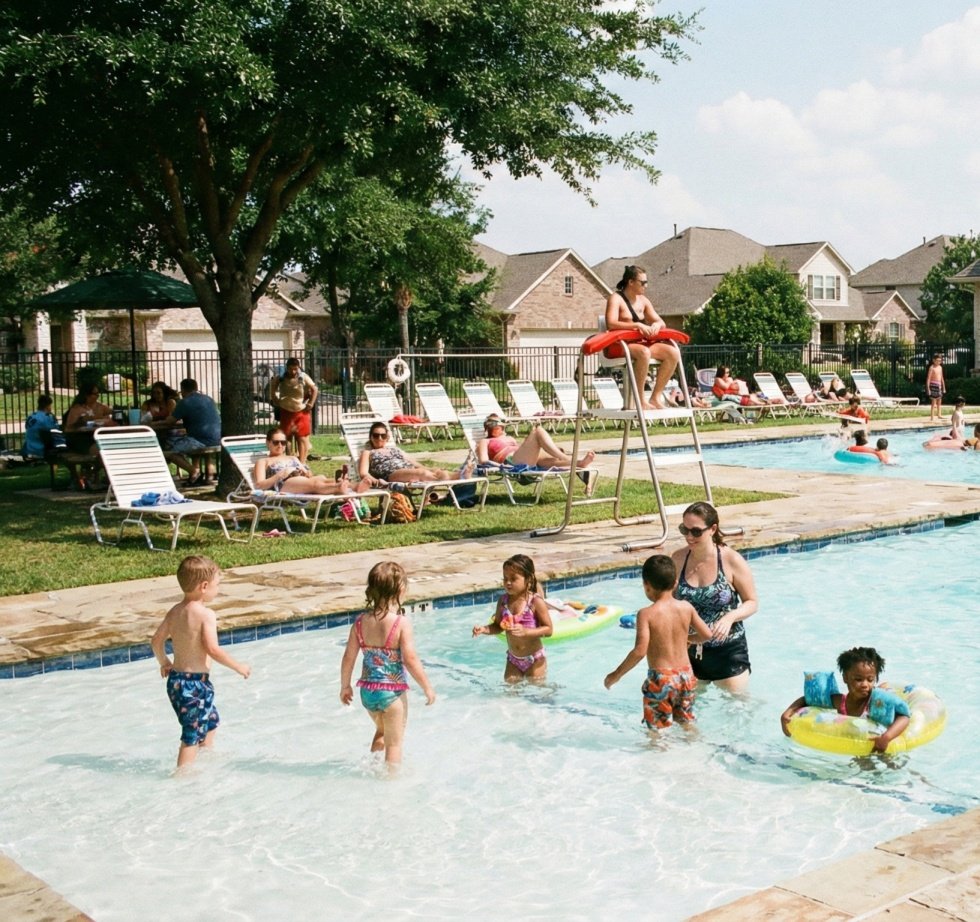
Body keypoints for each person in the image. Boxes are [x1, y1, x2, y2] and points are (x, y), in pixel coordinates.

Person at [150, 555, 250, 770]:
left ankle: (205, 759)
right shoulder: (206, 615)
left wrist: (164, 661)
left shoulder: (175, 611)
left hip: (177, 682)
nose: (218, 589)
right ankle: (182, 778)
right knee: (191, 734)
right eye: (217, 585)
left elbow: (156, 641)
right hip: (193, 684)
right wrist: (238, 666)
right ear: (204, 586)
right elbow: (212, 649)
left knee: (211, 721)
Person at [339, 561, 435, 769]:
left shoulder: (359, 622)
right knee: (395, 744)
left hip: (367, 692)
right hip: (391, 694)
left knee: (382, 732)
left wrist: (345, 686)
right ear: (401, 590)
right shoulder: (401, 623)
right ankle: (391, 785)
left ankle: (372, 767)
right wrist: (427, 687)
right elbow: (410, 659)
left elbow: (348, 657)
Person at [604, 555, 712, 731]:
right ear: (675, 582)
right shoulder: (686, 607)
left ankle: (657, 757)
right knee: (687, 723)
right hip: (686, 676)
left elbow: (639, 651)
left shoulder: (646, 614)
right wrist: (687, 639)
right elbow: (707, 634)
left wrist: (616, 675)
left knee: (656, 730)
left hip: (661, 679)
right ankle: (697, 754)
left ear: (646, 585)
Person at [671, 502, 758, 693]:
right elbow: (668, 602)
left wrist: (730, 618)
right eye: (684, 529)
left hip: (728, 651)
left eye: (695, 531)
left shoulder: (730, 560)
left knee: (737, 711)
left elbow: (752, 602)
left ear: (713, 529)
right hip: (690, 651)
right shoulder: (678, 560)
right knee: (689, 714)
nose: (689, 536)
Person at [780, 646, 910, 753]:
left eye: (870, 680)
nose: (865, 684)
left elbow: (904, 716)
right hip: (857, 746)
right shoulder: (841, 702)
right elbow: (809, 700)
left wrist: (886, 737)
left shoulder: (876, 702)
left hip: (882, 746)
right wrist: (787, 713)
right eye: (858, 679)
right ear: (845, 678)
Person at [603, 264, 680, 410]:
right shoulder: (616, 298)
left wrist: (656, 325)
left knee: (673, 353)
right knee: (644, 353)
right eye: (643, 282)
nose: (646, 285)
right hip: (620, 345)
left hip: (640, 344)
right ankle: (639, 400)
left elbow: (660, 321)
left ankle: (655, 397)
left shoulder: (644, 300)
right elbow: (611, 323)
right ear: (631, 282)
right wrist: (637, 326)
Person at [472, 554, 553, 682]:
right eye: (505, 578)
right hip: (513, 660)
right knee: (509, 694)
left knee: (538, 693)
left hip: (535, 659)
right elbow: (498, 626)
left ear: (528, 579)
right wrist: (484, 629)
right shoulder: (503, 601)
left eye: (513, 579)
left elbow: (549, 630)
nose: (508, 582)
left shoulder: (535, 602)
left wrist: (527, 632)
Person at [476, 414, 597, 492]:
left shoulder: (510, 438)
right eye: (491, 425)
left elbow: (522, 449)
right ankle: (567, 458)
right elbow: (483, 461)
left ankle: (579, 463)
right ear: (487, 428)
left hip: (523, 458)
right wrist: (500, 466)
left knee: (554, 457)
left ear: (502, 427)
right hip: (511, 463)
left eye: (498, 426)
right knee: (537, 431)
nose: (496, 428)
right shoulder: (485, 441)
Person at [254, 427, 374, 495]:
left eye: (283, 442)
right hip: (283, 485)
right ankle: (338, 488)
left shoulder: (292, 458)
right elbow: (259, 485)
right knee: (315, 484)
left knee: (322, 478)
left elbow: (310, 474)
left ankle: (355, 486)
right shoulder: (263, 461)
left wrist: (306, 472)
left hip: (301, 480)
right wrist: (280, 475)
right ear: (268, 443)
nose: (280, 445)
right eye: (276, 442)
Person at [359, 420, 474, 484]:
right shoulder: (368, 452)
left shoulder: (395, 449)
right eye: (376, 435)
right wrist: (376, 482)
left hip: (409, 470)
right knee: (422, 474)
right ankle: (457, 478)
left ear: (387, 437)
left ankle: (460, 475)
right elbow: (363, 473)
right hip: (390, 474)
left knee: (437, 471)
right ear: (371, 437)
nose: (379, 438)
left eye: (383, 435)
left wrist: (432, 469)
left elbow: (414, 463)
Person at [161, 378, 222, 485]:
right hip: (217, 437)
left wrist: (154, 424)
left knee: (170, 452)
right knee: (193, 442)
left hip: (201, 439)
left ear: (183, 390)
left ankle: (194, 472)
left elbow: (169, 422)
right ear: (196, 387)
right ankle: (209, 477)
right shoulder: (208, 399)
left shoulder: (185, 402)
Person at [269, 357, 318, 464]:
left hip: (300, 412)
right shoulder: (281, 378)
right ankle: (291, 461)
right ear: (287, 368)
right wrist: (275, 398)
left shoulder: (303, 377)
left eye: (295, 369)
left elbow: (315, 389)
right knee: (287, 438)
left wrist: (311, 403)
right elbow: (273, 387)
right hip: (286, 411)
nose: (293, 371)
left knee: (301, 438)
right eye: (291, 369)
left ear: (298, 367)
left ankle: (302, 463)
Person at [22, 394, 60, 460]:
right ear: (48, 406)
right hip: (41, 450)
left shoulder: (31, 416)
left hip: (29, 448)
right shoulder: (47, 417)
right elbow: (56, 431)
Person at [926, 353, 945, 422]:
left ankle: (939, 414)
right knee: (933, 402)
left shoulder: (940, 367)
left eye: (940, 361)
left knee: (939, 401)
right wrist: (928, 388)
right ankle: (932, 417)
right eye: (937, 360)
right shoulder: (931, 368)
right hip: (933, 385)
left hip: (939, 385)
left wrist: (944, 387)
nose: (938, 362)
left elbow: (942, 377)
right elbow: (928, 378)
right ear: (933, 360)